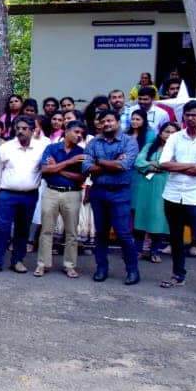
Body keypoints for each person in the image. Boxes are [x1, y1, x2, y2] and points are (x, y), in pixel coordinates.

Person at [82, 109, 141, 284]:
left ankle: (132, 271)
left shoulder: (129, 142)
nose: (106, 124)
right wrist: (111, 163)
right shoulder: (93, 142)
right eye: (103, 121)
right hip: (99, 191)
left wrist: (98, 161)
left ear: (118, 122)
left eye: (110, 120)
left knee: (123, 233)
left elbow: (124, 165)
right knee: (101, 233)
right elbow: (86, 167)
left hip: (120, 192)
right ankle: (101, 268)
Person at [0, 117, 45, 275]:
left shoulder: (41, 148)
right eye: (18, 128)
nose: (20, 131)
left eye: (25, 128)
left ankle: (17, 261)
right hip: (7, 195)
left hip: (29, 195)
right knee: (0, 229)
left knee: (23, 229)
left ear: (33, 131)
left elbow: (46, 168)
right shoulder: (6, 148)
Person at [35, 121, 87, 278]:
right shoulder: (51, 148)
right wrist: (69, 163)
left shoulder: (81, 153)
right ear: (66, 131)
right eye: (76, 132)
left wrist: (58, 167)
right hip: (51, 191)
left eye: (81, 133)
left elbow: (81, 178)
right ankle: (42, 264)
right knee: (46, 230)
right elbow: (45, 169)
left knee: (71, 232)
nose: (79, 136)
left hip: (72, 193)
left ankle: (70, 265)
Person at [159, 101, 196, 288]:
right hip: (173, 195)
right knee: (176, 239)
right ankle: (178, 274)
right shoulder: (175, 137)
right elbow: (164, 163)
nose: (190, 118)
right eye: (187, 115)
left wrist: (179, 166)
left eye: (194, 114)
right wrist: (193, 166)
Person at [132, 123, 176, 265]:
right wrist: (160, 166)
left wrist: (154, 164)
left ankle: (155, 251)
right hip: (146, 186)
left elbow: (177, 165)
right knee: (142, 217)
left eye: (172, 132)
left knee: (159, 218)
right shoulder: (150, 146)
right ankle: (138, 250)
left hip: (166, 186)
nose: (168, 135)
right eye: (166, 131)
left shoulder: (177, 148)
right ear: (160, 133)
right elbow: (139, 162)